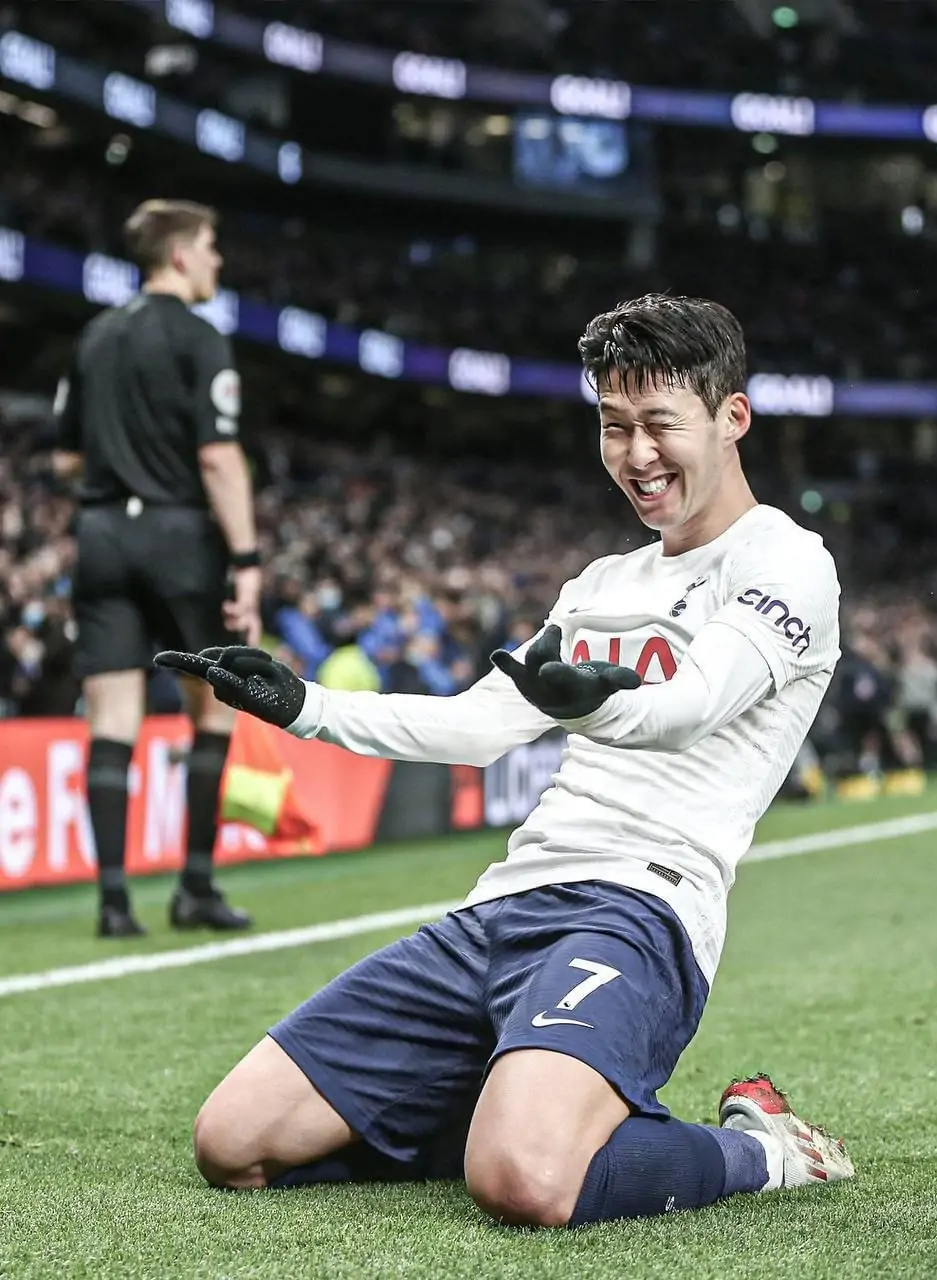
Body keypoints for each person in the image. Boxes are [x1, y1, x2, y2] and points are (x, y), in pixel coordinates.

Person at [157, 294, 853, 1227]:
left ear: (733, 417)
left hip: (640, 911)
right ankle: (511, 1105)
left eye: (660, 424)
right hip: (502, 908)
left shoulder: (787, 561)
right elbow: (477, 727)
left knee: (524, 1182)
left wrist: (598, 701)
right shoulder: (600, 583)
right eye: (614, 426)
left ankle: (762, 1149)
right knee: (234, 1142)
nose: (636, 454)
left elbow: (689, 708)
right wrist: (304, 705)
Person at [53, 199, 256, 938]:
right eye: (209, 245)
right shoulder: (200, 336)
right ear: (179, 254)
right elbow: (218, 456)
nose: (216, 259)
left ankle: (113, 903)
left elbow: (66, 456)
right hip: (179, 535)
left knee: (112, 718)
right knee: (214, 706)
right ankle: (194, 888)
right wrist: (247, 560)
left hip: (102, 534)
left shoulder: (97, 335)